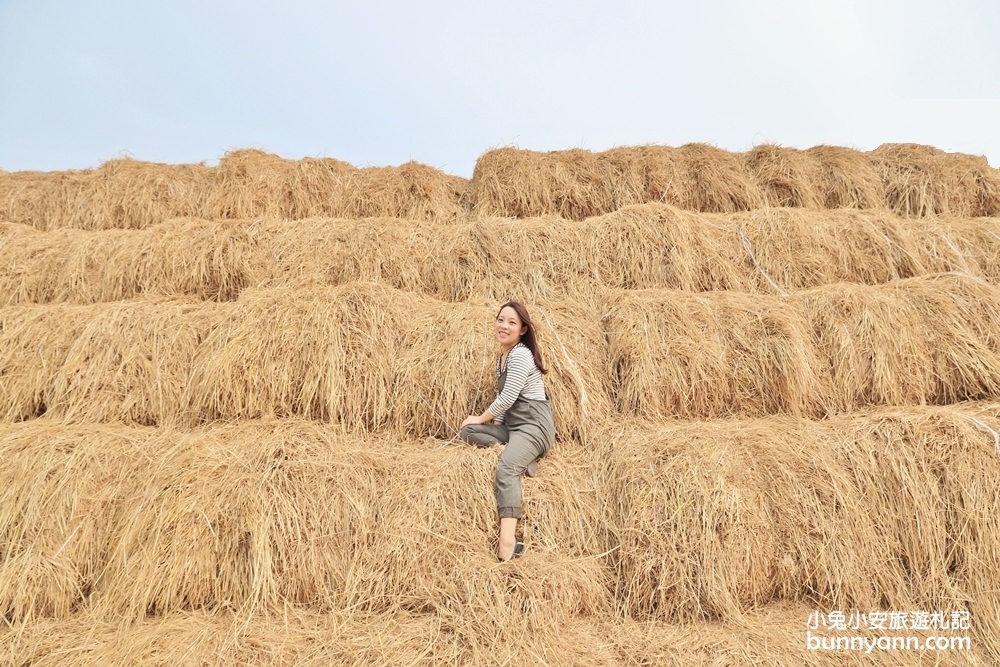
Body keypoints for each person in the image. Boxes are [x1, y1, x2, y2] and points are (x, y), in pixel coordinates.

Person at [460, 301, 556, 562]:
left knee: (505, 469)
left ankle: (508, 543)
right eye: (500, 320)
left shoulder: (521, 355)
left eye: (512, 322)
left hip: (534, 427)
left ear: (523, 329)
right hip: (514, 428)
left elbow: (509, 396)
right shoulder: (503, 358)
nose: (504, 326)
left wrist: (481, 416)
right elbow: (503, 401)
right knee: (468, 432)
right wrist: (492, 426)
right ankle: (523, 456)